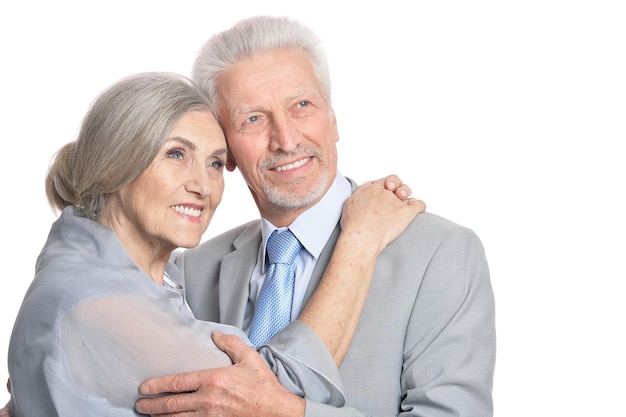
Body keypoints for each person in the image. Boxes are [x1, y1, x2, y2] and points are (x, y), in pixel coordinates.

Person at [134, 15, 496, 417]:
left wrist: (287, 413)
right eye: (253, 118)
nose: (286, 140)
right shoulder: (194, 271)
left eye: (302, 105)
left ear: (334, 119)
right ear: (226, 150)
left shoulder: (439, 255)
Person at [3, 71, 424, 416]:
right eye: (175, 154)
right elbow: (261, 400)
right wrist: (360, 242)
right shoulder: (97, 297)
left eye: (216, 163)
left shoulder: (133, 275)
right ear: (115, 163)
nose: (203, 186)